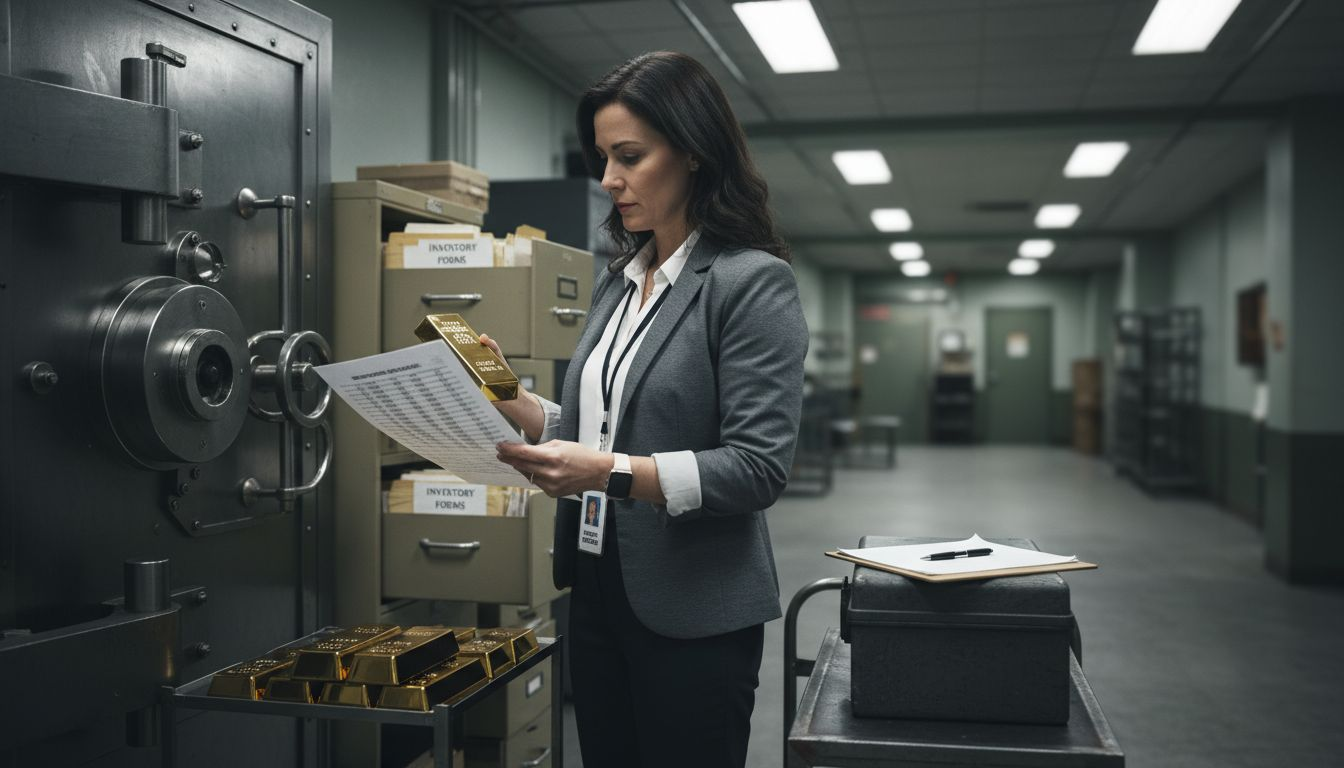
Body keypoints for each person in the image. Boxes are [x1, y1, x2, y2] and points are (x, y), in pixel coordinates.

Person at [482, 51, 807, 768]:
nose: (608, 181)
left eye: (629, 156)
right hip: (598, 585)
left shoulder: (750, 283)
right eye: (602, 158)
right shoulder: (620, 283)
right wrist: (513, 401)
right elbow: (596, 431)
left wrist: (608, 473)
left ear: (693, 152)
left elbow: (755, 470)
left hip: (693, 609)